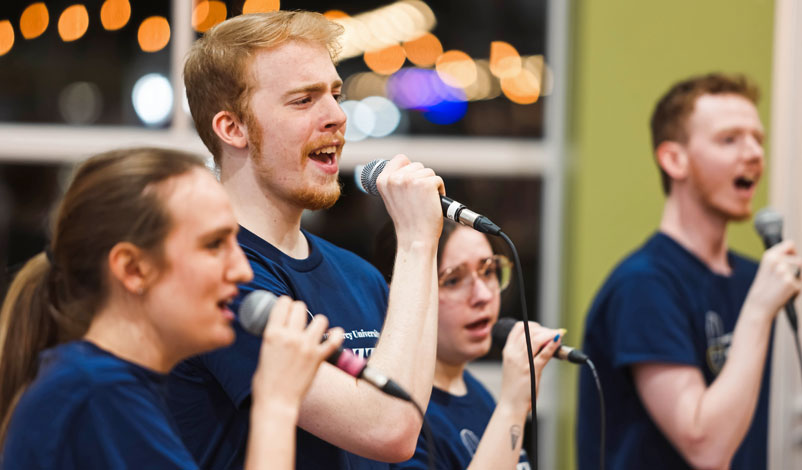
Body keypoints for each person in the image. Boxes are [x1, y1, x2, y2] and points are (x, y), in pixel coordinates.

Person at [166, 10, 444, 470]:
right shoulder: (213, 281)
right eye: (303, 100)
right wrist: (416, 242)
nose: (337, 116)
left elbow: (411, 445)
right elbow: (387, 428)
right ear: (232, 128)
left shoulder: (359, 276)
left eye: (335, 94)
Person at [0, 147, 343, 470]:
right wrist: (277, 403)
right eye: (213, 245)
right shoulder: (97, 392)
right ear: (133, 269)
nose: (243, 271)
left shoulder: (109, 385)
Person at [576, 74, 802, 469]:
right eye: (729, 139)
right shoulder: (644, 285)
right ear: (674, 159)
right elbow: (706, 447)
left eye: (757, 139)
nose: (753, 154)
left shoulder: (751, 279)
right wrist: (759, 310)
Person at [373, 221, 562, 469]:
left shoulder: (477, 394)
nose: (483, 295)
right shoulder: (398, 417)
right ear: (404, 293)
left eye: (488, 271)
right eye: (453, 280)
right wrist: (512, 406)